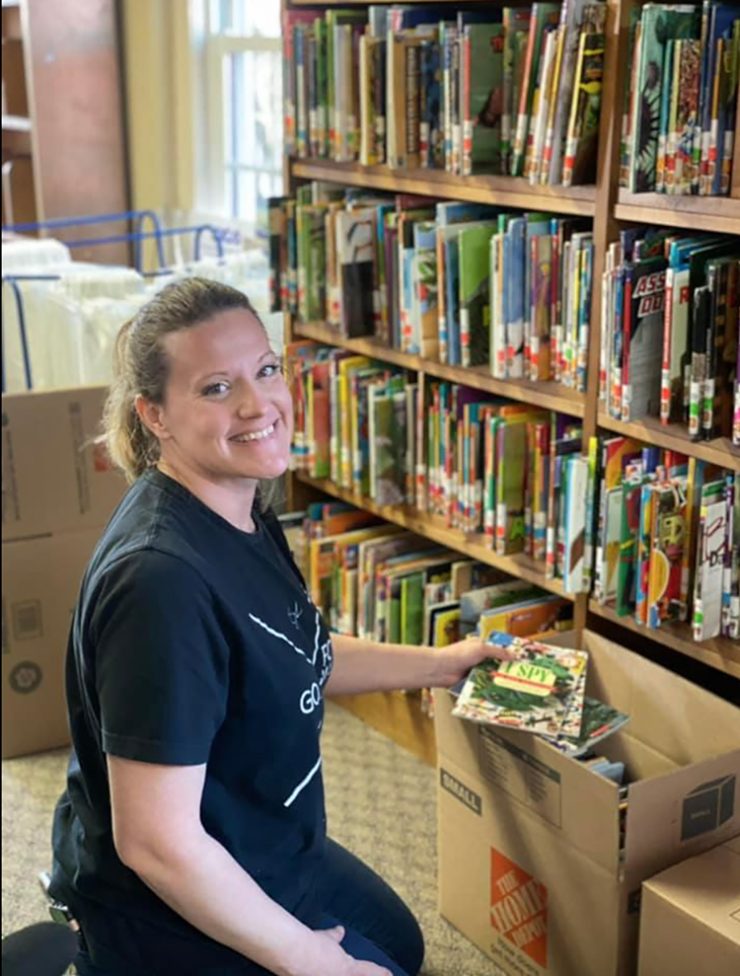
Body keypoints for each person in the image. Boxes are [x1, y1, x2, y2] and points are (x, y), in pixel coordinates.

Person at [48, 277, 514, 976]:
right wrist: (309, 960)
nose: (257, 404)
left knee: (400, 947)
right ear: (155, 416)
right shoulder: (160, 584)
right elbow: (156, 844)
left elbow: (299, 652)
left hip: (254, 833)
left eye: (266, 370)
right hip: (164, 901)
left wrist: (445, 663)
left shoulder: (237, 501)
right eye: (215, 388)